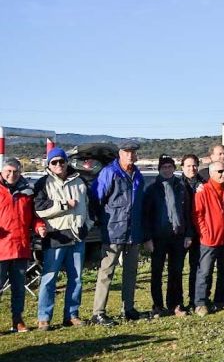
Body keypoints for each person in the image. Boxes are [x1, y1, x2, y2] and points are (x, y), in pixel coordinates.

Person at [90, 141, 146, 325]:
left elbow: (140, 204)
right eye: (126, 152)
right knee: (106, 272)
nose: (130, 155)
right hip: (113, 230)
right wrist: (102, 222)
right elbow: (96, 199)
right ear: (120, 154)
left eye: (133, 152)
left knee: (131, 272)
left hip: (134, 231)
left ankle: (128, 308)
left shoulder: (138, 175)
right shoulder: (109, 172)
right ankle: (98, 312)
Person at [34, 148, 89, 331]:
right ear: (49, 164)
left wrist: (86, 225)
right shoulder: (43, 183)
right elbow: (40, 208)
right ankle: (44, 317)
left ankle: (72, 314)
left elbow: (89, 207)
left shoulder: (80, 181)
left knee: (76, 278)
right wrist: (64, 205)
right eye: (54, 162)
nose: (58, 165)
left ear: (67, 162)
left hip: (77, 235)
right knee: (49, 278)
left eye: (61, 161)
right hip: (56, 236)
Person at [143, 155, 193, 317]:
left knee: (176, 272)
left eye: (170, 167)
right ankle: (157, 305)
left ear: (174, 169)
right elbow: (146, 216)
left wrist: (188, 235)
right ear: (159, 169)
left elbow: (187, 213)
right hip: (158, 236)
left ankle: (175, 304)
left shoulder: (181, 186)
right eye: (164, 167)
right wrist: (148, 238)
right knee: (156, 272)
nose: (167, 170)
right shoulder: (152, 189)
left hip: (177, 235)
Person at [1, 158, 46, 332]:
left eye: (16, 172)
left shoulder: (28, 192)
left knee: (19, 288)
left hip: (20, 247)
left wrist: (39, 226)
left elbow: (34, 217)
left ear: (21, 172)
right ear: (2, 171)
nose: (12, 175)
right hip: (1, 248)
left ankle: (17, 320)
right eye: (8, 171)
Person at [193, 161, 224, 316]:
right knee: (205, 271)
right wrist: (205, 233)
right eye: (220, 171)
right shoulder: (203, 191)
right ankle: (200, 302)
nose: (223, 174)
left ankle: (222, 299)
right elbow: (198, 215)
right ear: (211, 173)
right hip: (210, 239)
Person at [180, 153, 205, 311]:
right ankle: (177, 302)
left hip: (198, 232)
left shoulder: (203, 184)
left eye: (194, 165)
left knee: (197, 268)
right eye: (188, 165)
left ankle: (195, 300)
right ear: (182, 167)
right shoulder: (177, 183)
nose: (192, 168)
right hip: (181, 232)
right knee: (177, 269)